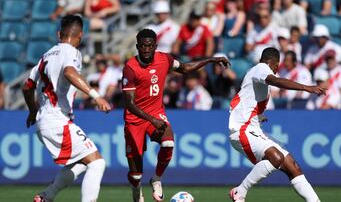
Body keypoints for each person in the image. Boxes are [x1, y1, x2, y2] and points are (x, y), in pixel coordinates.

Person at [122, 29, 229, 202]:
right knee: (135, 175)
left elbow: (186, 68)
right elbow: (129, 104)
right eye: (143, 46)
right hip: (135, 120)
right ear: (137, 47)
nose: (146, 50)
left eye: (150, 46)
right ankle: (136, 191)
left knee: (168, 142)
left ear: (155, 46)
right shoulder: (130, 68)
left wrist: (211, 60)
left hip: (155, 112)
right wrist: (152, 120)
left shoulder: (164, 59)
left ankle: (156, 178)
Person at [22, 15, 111, 202]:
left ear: (58, 34)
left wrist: (32, 110)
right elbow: (69, 72)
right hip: (57, 121)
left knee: (81, 164)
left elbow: (27, 86)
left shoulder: (45, 56)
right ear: (81, 36)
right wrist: (96, 96)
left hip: (44, 121)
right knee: (97, 163)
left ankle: (46, 197)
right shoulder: (72, 52)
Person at [228, 47, 325, 202]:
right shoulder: (261, 68)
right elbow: (274, 80)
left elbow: (248, 99)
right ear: (276, 64)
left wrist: (259, 116)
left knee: (291, 165)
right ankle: (240, 191)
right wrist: (307, 87)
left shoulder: (257, 72)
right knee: (276, 157)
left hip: (253, 128)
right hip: (242, 130)